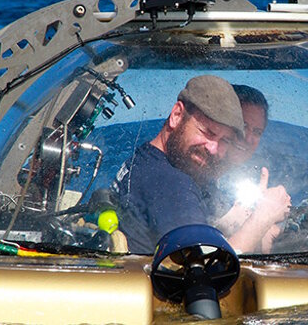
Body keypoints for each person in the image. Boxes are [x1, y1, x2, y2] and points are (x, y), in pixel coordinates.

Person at [108, 75, 289, 254]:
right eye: (207, 132)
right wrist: (263, 217)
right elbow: (207, 269)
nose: (213, 148)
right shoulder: (171, 184)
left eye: (225, 140)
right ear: (177, 115)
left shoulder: (149, 160)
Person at [210, 84, 287, 253]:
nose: (249, 138)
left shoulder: (219, 184)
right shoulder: (193, 178)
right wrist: (263, 217)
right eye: (243, 126)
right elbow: (210, 265)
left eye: (257, 132)